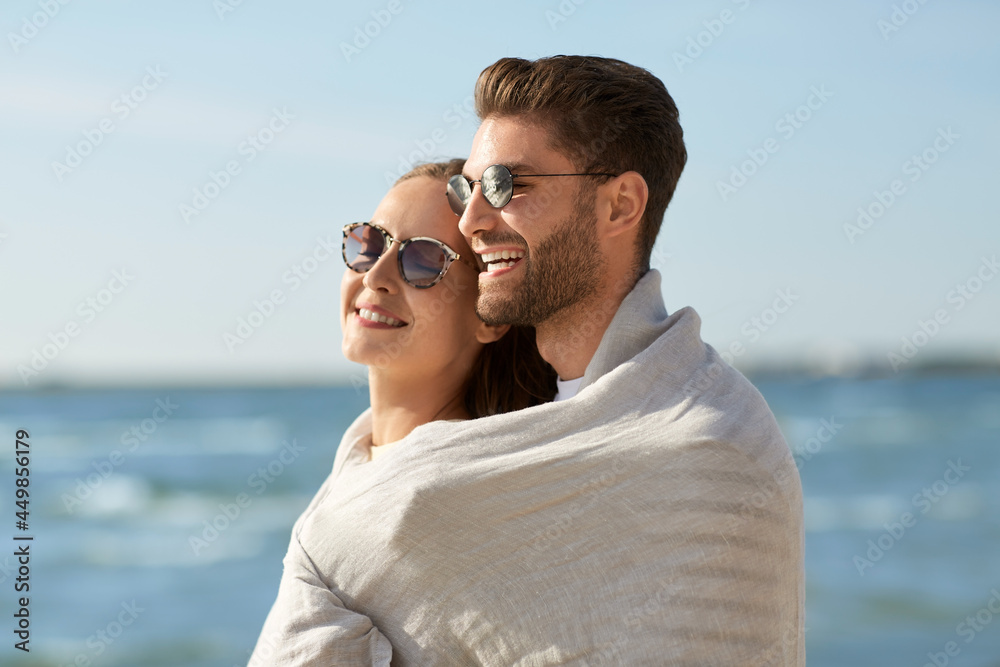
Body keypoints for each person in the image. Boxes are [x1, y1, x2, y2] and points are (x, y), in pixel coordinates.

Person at [254, 56, 804, 666]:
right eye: (468, 190)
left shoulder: (708, 443)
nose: (472, 221)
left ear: (620, 205)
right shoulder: (502, 448)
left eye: (505, 187)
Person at [249, 160, 555, 664]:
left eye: (423, 261)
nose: (377, 274)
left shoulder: (445, 500)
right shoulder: (364, 459)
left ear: (489, 315)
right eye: (370, 243)